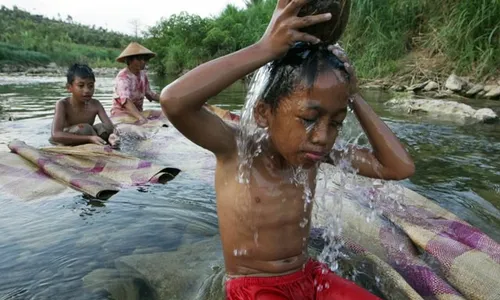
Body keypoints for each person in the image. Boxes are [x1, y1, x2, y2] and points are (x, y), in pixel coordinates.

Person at [160, 0, 415, 299]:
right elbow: (173, 101)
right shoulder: (237, 148)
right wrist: (264, 48)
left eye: (336, 122)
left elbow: (398, 168)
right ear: (264, 113)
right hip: (255, 286)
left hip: (310, 275)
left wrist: (354, 95)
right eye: (308, 119)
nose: (322, 136)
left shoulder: (316, 155)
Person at [50, 63, 119, 147]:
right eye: (81, 86)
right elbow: (56, 135)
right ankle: (97, 143)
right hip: (67, 139)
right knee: (85, 128)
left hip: (89, 134)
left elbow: (110, 127)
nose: (87, 90)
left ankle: (101, 143)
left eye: (90, 86)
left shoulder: (96, 104)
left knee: (104, 128)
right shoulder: (62, 104)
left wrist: (112, 136)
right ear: (69, 87)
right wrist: (89, 138)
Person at [111, 42, 161, 124]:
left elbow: (150, 94)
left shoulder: (142, 75)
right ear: (129, 60)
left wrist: (167, 100)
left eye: (144, 59)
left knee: (164, 115)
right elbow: (126, 101)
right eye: (139, 59)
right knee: (144, 126)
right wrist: (140, 117)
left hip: (137, 114)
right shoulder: (123, 77)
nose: (143, 62)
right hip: (122, 114)